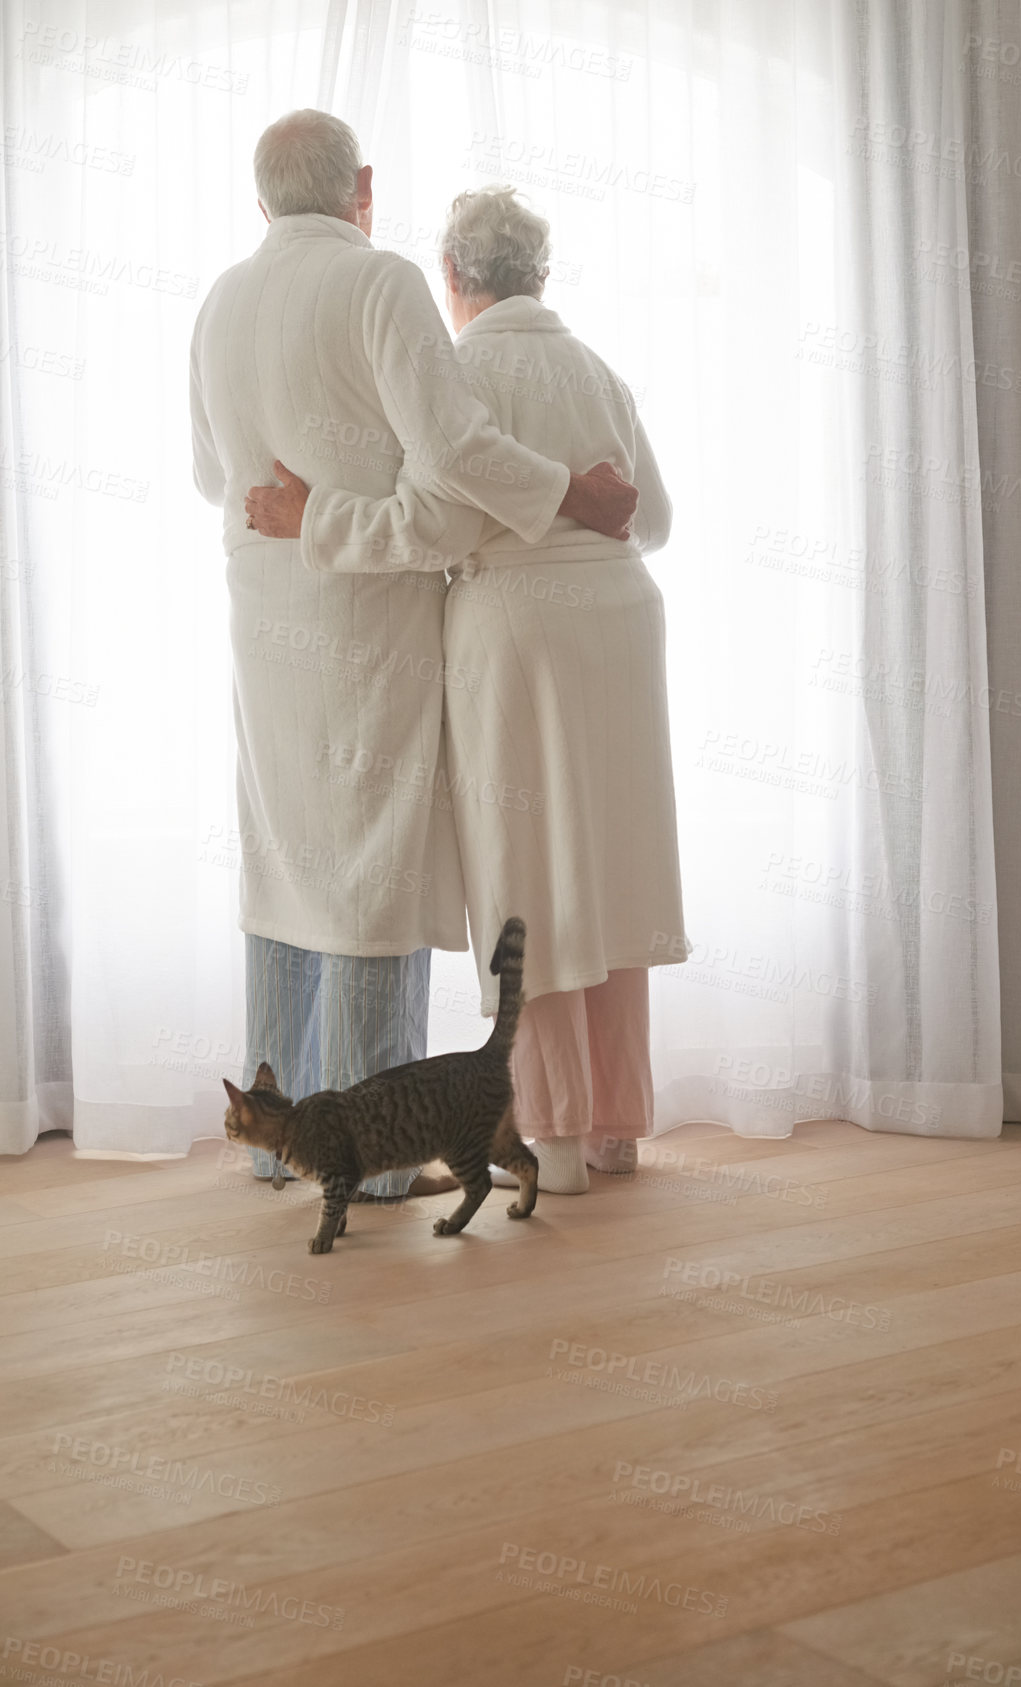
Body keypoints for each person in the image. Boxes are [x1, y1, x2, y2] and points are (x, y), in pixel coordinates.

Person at [190, 114, 638, 1201]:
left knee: (290, 873)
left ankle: (274, 1141)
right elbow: (452, 474)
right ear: (363, 189)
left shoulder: (218, 303)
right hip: (359, 628)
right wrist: (568, 493)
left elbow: (216, 478)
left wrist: (301, 515)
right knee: (368, 884)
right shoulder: (381, 284)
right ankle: (378, 1168)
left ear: (260, 202)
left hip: (263, 625)